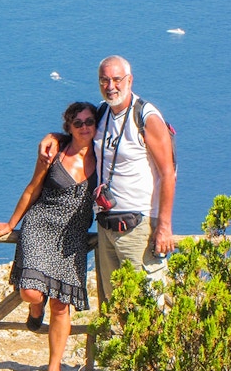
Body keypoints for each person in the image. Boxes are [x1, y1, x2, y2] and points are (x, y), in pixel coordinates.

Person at [39, 56, 175, 302]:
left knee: (146, 305)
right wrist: (55, 137)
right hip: (106, 225)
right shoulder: (101, 114)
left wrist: (163, 227)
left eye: (116, 79)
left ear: (130, 80)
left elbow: (168, 172)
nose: (111, 86)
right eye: (104, 80)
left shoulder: (146, 117)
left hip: (139, 227)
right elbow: (80, 133)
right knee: (114, 305)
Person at [0, 102, 97, 371]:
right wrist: (11, 224)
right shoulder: (54, 154)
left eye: (89, 122)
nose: (85, 127)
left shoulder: (104, 157)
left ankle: (54, 369)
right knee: (31, 291)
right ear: (68, 128)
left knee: (62, 306)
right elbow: (32, 188)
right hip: (40, 225)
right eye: (78, 123)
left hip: (73, 238)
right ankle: (36, 309)